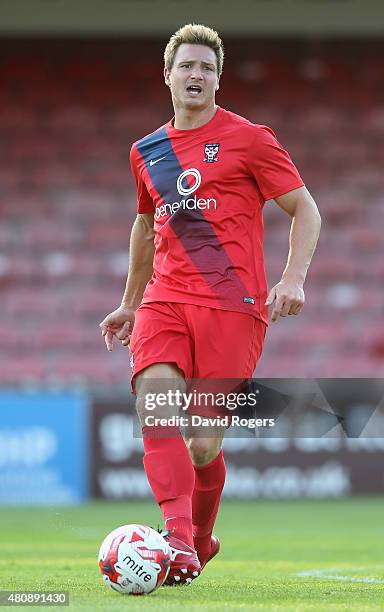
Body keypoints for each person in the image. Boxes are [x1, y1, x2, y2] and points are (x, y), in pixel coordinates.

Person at [99, 23, 321, 586]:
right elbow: (146, 226)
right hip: (165, 300)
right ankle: (176, 539)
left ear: (218, 79)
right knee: (155, 405)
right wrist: (129, 303)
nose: (196, 75)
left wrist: (293, 279)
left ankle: (199, 540)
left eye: (207, 68)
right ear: (168, 75)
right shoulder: (145, 151)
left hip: (235, 307)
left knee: (201, 442)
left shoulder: (251, 138)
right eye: (187, 66)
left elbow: (306, 209)